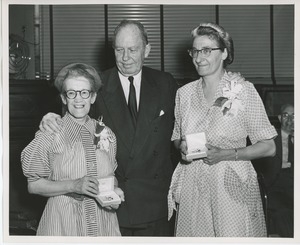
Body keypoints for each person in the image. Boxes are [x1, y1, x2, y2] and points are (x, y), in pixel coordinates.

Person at [38, 20, 243, 236]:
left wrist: (228, 79)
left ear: (147, 50)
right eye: (119, 50)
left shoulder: (165, 83)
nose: (125, 58)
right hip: (109, 202)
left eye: (133, 49)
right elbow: (73, 117)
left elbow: (197, 113)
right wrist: (52, 117)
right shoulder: (97, 84)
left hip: (155, 203)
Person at [167, 22, 277, 237]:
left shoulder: (243, 90)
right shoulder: (184, 94)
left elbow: (269, 147)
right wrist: (181, 146)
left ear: (225, 52)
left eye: (207, 50)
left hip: (231, 188)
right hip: (193, 189)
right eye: (195, 51)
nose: (199, 58)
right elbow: (176, 138)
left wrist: (227, 154)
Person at [21, 63, 124, 236]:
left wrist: (115, 192)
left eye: (84, 92)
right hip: (63, 224)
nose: (78, 99)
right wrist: (73, 185)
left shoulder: (106, 134)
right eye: (71, 93)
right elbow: (34, 185)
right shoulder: (50, 133)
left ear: (93, 97)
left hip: (103, 224)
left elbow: (111, 178)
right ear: (63, 98)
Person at [253, 103, 294, 237]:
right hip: (274, 185)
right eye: (286, 115)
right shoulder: (270, 138)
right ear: (279, 118)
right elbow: (257, 165)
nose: (290, 120)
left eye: (294, 116)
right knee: (283, 212)